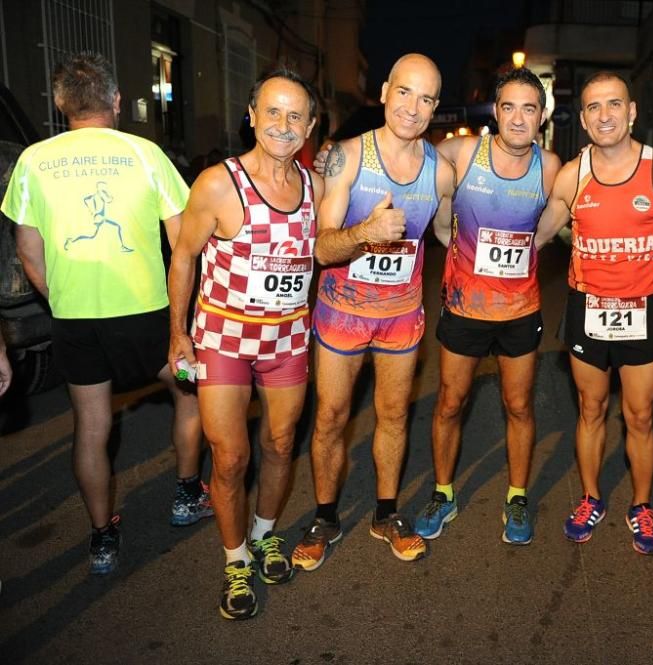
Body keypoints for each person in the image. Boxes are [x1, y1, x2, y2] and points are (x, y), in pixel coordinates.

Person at [1, 52, 208, 575]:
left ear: (61, 105)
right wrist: (184, 318)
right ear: (116, 101)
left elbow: (28, 249)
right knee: (193, 391)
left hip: (75, 321)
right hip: (147, 315)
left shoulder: (31, 161)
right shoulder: (145, 154)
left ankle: (101, 539)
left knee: (91, 427)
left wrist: (62, 297)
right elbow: (182, 242)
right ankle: (186, 496)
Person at [168, 67, 323, 620]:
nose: (283, 125)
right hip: (225, 339)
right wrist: (178, 333)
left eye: (295, 115)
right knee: (231, 458)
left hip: (287, 338)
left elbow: (316, 257)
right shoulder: (217, 183)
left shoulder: (314, 186)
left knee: (281, 444)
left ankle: (263, 535)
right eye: (272, 112)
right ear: (252, 116)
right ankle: (235, 560)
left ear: (309, 126)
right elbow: (184, 254)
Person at [290, 53, 455, 570]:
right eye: (405, 92)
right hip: (342, 313)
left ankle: (386, 514)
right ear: (385, 91)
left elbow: (447, 233)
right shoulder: (348, 158)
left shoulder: (441, 171)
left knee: (393, 414)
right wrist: (366, 234)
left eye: (426, 98)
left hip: (402, 315)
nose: (413, 107)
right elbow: (320, 248)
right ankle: (324, 517)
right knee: (332, 417)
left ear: (434, 108)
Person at [534, 71, 653, 555]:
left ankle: (642, 506)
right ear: (582, 118)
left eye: (614, 105)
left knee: (640, 415)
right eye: (594, 107)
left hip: (641, 310)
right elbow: (535, 236)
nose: (605, 115)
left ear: (632, 111)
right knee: (591, 408)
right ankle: (591, 498)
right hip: (586, 310)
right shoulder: (572, 176)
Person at [407, 68, 561, 545]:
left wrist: (536, 244)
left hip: (520, 310)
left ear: (541, 117)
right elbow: (410, 160)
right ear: (495, 113)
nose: (518, 118)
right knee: (451, 404)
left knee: (518, 405)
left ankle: (517, 496)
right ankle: (443, 492)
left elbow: (564, 210)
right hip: (464, 307)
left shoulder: (551, 166)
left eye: (529, 108)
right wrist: (441, 224)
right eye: (509, 107)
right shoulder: (462, 152)